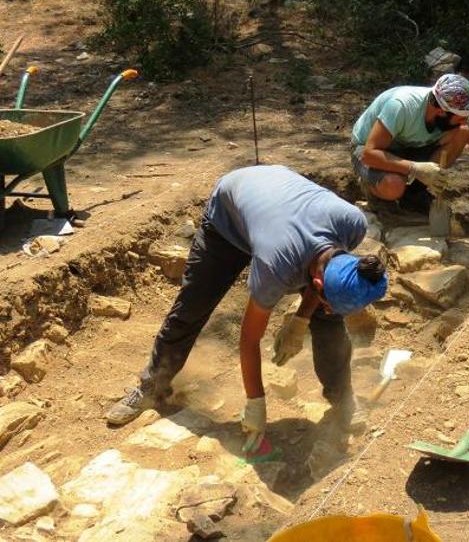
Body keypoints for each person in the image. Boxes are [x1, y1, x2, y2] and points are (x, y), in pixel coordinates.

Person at [106, 165, 388, 456]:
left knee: (328, 322)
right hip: (230, 215)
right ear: (317, 281)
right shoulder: (277, 263)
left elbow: (322, 284)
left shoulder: (352, 225)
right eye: (324, 298)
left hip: (276, 205)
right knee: (194, 305)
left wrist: (302, 318)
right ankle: (151, 385)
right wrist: (256, 402)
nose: (324, 306)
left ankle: (343, 398)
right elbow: (250, 338)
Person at [351, 73, 469, 226]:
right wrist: (415, 168)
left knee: (463, 131)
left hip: (411, 147)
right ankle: (379, 198)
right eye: (461, 117)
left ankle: (414, 195)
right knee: (393, 185)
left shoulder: (456, 112)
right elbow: (369, 154)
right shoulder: (402, 106)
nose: (466, 119)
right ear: (441, 111)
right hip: (371, 151)